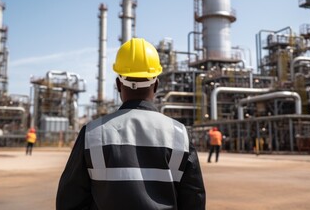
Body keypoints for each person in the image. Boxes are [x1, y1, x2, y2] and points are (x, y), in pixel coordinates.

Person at [56, 38, 206, 210]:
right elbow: (194, 199)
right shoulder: (179, 134)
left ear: (118, 85)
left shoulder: (92, 134)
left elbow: (69, 201)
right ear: (156, 85)